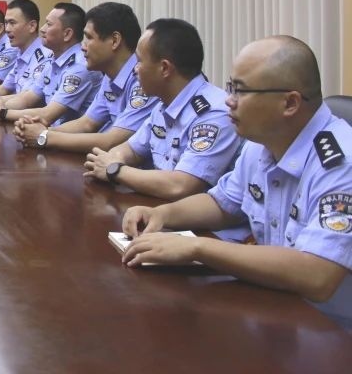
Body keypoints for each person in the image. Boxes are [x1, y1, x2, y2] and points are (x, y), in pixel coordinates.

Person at [121, 36, 352, 329]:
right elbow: (223, 203)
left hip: (332, 331)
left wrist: (197, 247)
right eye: (231, 87)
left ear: (290, 103)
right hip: (274, 309)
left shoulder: (340, 164)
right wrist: (163, 215)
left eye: (240, 90)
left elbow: (317, 275)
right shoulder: (262, 143)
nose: (229, 100)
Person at [82, 18, 243, 203]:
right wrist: (112, 160)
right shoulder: (163, 105)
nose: (135, 70)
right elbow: (131, 150)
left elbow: (181, 186)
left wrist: (115, 170)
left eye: (139, 61)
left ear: (165, 68)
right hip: (159, 209)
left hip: (194, 218)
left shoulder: (214, 112)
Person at [14, 2, 159, 151]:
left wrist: (43, 136)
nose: (83, 47)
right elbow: (87, 123)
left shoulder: (144, 80)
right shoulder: (111, 75)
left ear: (115, 41)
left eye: (89, 38)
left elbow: (112, 141)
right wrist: (39, 131)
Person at [0, 3, 101, 125]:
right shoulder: (53, 60)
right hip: (49, 131)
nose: (42, 29)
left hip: (66, 134)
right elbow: (28, 98)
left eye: (49, 24)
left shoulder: (79, 66)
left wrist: (2, 112)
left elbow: (48, 114)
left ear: (67, 34)